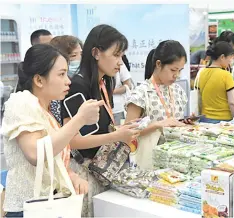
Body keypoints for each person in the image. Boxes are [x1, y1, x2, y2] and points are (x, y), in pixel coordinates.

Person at [1, 44, 103, 217]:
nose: (68, 81)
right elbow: (35, 154)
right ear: (39, 80)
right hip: (28, 209)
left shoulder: (44, 109)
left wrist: (72, 176)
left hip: (48, 204)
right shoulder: (22, 102)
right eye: (61, 74)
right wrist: (79, 119)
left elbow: (54, 155)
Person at [61, 25, 140, 217]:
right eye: (116, 55)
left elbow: (100, 129)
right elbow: (72, 141)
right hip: (83, 172)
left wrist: (122, 130)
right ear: (96, 53)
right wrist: (116, 135)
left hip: (102, 170)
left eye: (122, 56)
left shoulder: (106, 81)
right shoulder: (78, 86)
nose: (120, 62)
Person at [126, 40, 187, 134]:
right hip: (150, 148)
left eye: (180, 70)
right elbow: (127, 132)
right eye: (173, 70)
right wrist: (157, 125)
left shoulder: (178, 90)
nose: (177, 75)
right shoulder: (141, 93)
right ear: (158, 64)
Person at [198, 42, 234, 123]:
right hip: (223, 120)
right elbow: (232, 102)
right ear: (222, 57)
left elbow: (199, 98)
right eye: (230, 58)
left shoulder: (201, 73)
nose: (230, 61)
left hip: (204, 119)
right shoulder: (226, 75)